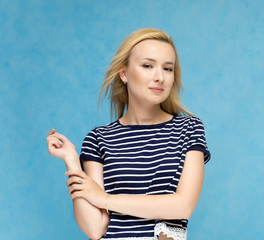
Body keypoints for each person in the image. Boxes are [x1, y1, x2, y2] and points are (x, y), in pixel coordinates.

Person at [46, 28, 211, 240]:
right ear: (124, 73)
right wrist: (71, 160)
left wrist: (105, 199)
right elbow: (95, 229)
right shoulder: (98, 139)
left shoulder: (189, 129)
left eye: (168, 68)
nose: (159, 77)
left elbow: (182, 206)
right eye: (147, 66)